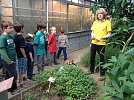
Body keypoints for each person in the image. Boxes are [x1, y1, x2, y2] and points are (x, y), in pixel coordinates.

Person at [89, 8, 112, 81]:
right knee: (92, 57)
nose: (99, 15)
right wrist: (92, 36)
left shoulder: (107, 22)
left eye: (101, 14)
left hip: (101, 44)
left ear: (104, 15)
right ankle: (91, 70)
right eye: (98, 14)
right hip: (94, 43)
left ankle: (102, 74)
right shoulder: (95, 22)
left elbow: (109, 34)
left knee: (101, 59)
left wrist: (102, 38)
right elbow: (92, 31)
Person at [0, 21, 19, 95]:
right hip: (8, 61)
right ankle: (13, 89)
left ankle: (7, 88)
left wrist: (15, 56)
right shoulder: (2, 38)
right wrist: (8, 61)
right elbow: (2, 51)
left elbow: (12, 48)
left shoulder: (10, 37)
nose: (12, 29)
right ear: (4, 29)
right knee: (14, 74)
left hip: (13, 59)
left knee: (8, 74)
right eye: (10, 28)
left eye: (12, 28)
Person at [14, 22, 27, 87]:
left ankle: (20, 79)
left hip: (17, 54)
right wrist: (24, 56)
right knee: (21, 68)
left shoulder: (15, 36)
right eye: (23, 28)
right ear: (21, 29)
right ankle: (21, 82)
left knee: (18, 68)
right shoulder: (21, 38)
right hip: (21, 55)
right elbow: (22, 48)